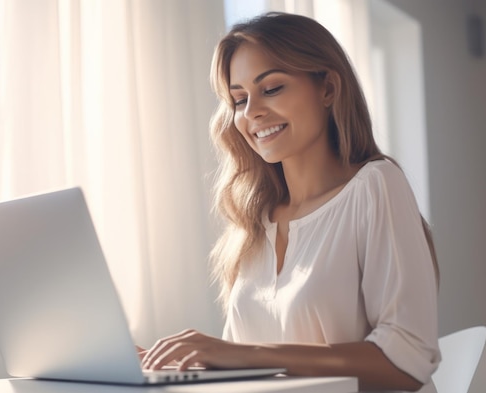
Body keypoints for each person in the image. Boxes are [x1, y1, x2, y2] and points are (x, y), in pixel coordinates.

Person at [140, 12, 441, 392]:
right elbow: (240, 373)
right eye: (239, 99)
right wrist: (162, 364)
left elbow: (406, 362)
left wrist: (250, 355)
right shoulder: (253, 224)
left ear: (328, 88)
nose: (252, 113)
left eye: (272, 88)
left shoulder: (375, 186)